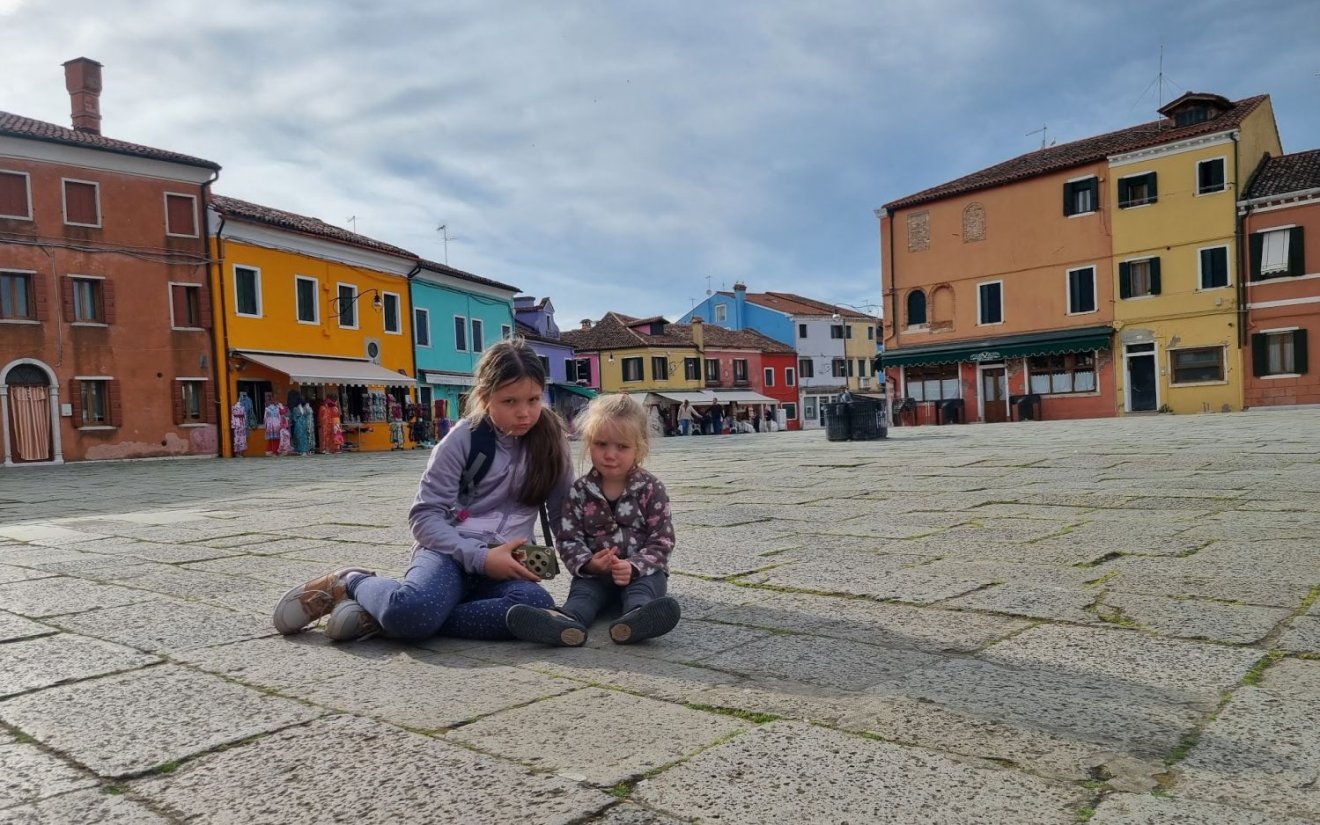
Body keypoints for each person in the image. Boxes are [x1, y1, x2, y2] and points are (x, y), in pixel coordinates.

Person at [272, 339, 573, 642]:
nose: (524, 413)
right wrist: (481, 558)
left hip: (509, 563)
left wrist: (585, 562)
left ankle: (381, 616)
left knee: (536, 605)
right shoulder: (464, 439)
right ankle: (349, 582)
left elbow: (564, 514)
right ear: (484, 397)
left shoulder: (551, 440)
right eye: (510, 402)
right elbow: (424, 517)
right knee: (413, 612)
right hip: (448, 555)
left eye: (533, 400)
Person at [506, 394, 680, 647]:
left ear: (639, 448)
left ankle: (636, 619)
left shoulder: (651, 488)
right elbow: (568, 538)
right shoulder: (579, 491)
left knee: (643, 591)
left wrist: (634, 566)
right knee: (582, 596)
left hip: (642, 573)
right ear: (588, 443)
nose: (610, 454)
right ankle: (565, 622)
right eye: (601, 444)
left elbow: (662, 540)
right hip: (595, 576)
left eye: (622, 447)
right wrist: (588, 563)